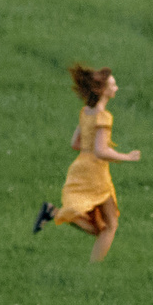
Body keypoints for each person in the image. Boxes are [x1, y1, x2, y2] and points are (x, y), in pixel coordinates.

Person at [32, 63, 140, 261]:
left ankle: (91, 267)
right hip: (95, 172)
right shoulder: (103, 117)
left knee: (103, 227)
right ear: (103, 91)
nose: (116, 88)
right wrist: (126, 157)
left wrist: (90, 148)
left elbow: (75, 143)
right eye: (113, 85)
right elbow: (100, 151)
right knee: (111, 225)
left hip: (81, 165)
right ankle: (56, 215)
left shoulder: (86, 112)